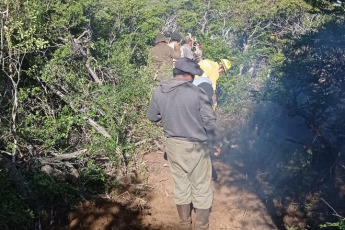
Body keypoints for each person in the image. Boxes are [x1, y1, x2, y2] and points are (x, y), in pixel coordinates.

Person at [147, 57, 222, 230]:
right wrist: (216, 142)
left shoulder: (160, 90)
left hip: (173, 145)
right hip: (196, 147)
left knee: (181, 185)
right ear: (188, 75)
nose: (195, 79)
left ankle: (184, 225)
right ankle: (202, 227)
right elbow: (209, 122)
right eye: (194, 75)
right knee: (201, 187)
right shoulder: (197, 93)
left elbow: (152, 116)